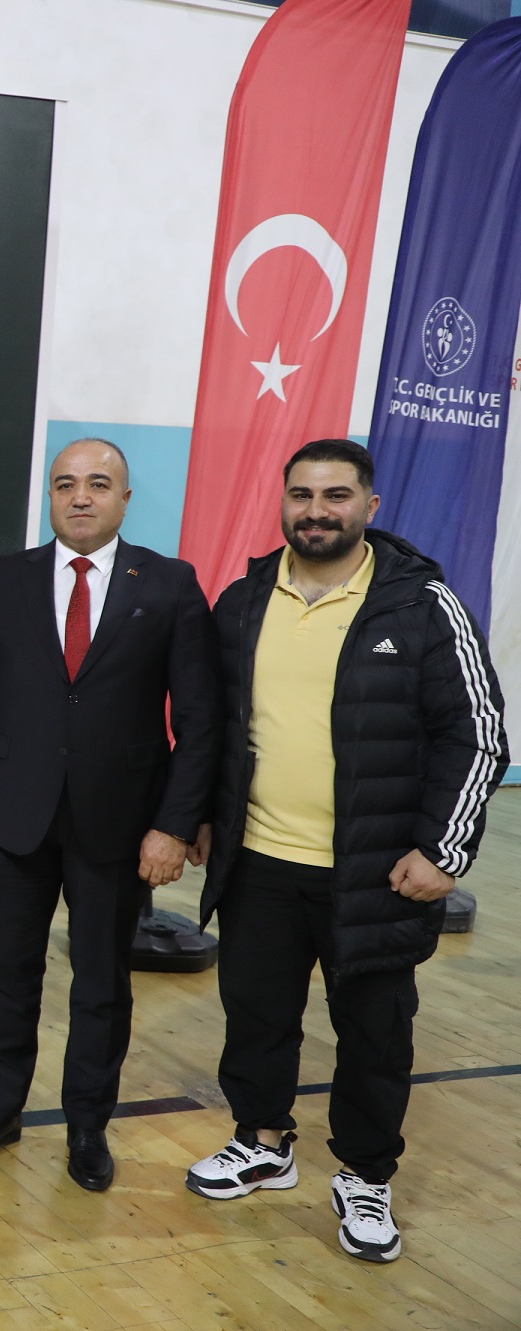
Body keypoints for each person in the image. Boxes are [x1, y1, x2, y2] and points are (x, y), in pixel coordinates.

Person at [184, 440, 505, 1264]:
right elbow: (218, 728)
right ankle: (262, 1141)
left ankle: (366, 1175)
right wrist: (207, 818)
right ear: (283, 502)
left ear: (370, 504)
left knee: (374, 1035)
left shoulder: (422, 604)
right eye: (301, 494)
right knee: (256, 1016)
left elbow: (477, 733)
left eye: (335, 495)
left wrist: (444, 850)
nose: (316, 510)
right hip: (260, 859)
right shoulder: (244, 599)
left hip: (376, 871)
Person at [0, 437, 218, 1191]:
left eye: (97, 484)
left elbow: (199, 721)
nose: (80, 497)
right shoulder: (4, 578)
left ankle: (88, 1126)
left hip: (120, 825)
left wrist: (174, 825)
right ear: (51, 497)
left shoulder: (171, 583)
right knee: (5, 975)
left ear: (125, 498)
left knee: (102, 984)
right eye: (65, 484)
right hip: (12, 819)